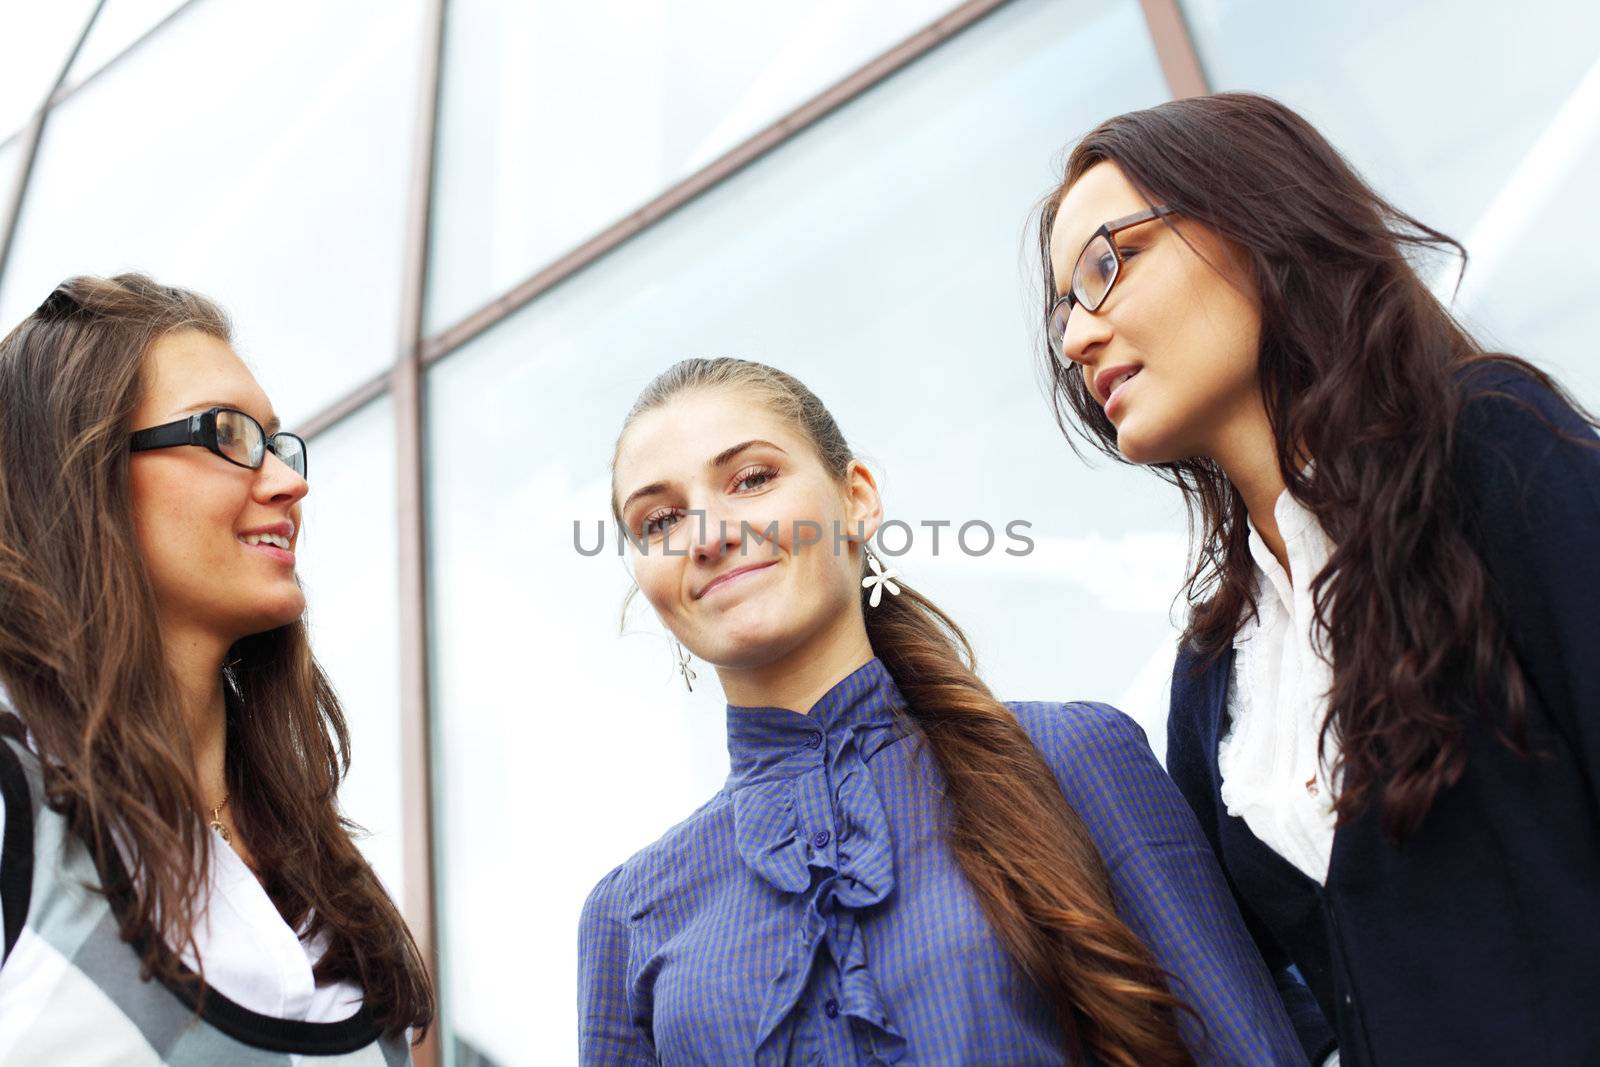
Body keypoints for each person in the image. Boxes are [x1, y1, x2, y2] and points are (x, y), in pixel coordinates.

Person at [1036, 92, 1600, 1067]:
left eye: (1104, 266)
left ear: (1252, 220)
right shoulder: (1211, 681)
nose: (1078, 336)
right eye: (1062, 311)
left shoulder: (1491, 453)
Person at [578, 357, 1304, 1066]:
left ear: (856, 497)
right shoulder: (628, 916)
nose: (707, 535)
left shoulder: (1073, 756)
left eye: (752, 478)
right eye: (660, 519)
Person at [0, 274, 432, 1062]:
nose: (290, 481)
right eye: (229, 435)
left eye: (275, 441)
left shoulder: (332, 888)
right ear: (80, 471)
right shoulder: (16, 815)